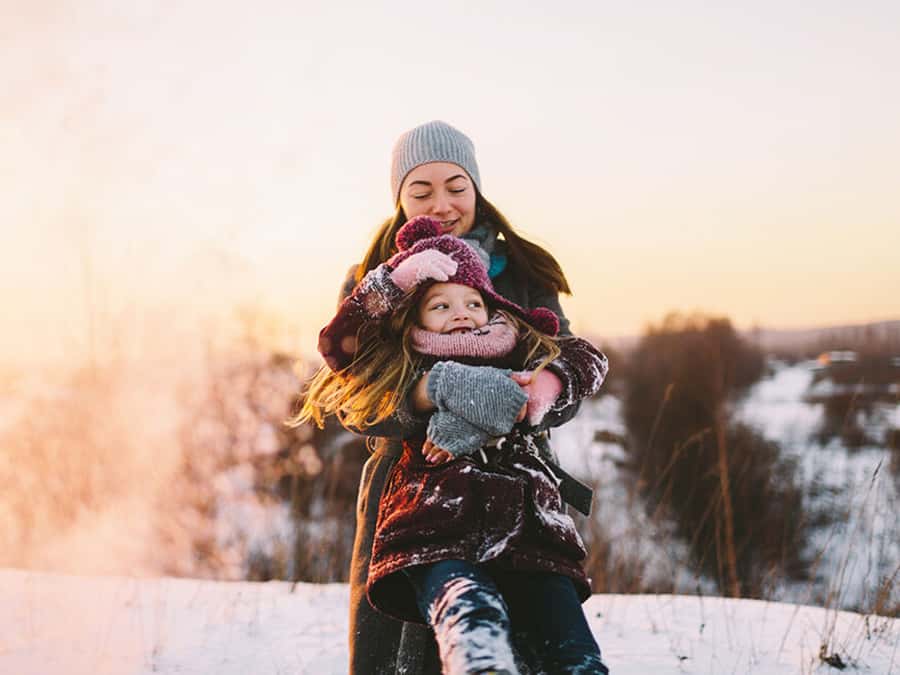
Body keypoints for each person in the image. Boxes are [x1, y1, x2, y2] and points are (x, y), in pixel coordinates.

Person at [319, 120, 607, 674]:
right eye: (420, 190)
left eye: (456, 186)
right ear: (399, 199)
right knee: (417, 650)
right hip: (408, 489)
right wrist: (425, 395)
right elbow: (350, 396)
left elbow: (566, 361)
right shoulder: (373, 280)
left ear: (476, 187)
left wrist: (540, 393)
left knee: (527, 646)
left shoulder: (523, 271)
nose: (443, 203)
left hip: (514, 483)